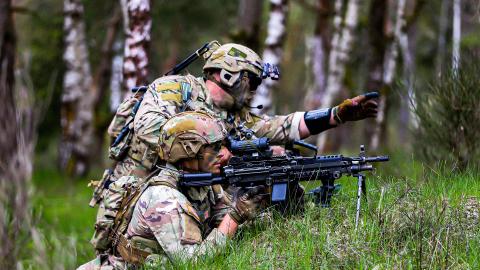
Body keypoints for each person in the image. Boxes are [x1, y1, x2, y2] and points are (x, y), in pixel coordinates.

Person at [89, 41, 378, 252]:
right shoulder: (174, 90)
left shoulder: (234, 115)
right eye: (251, 81)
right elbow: (151, 128)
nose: (253, 90)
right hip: (141, 194)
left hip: (193, 193)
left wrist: (334, 116)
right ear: (229, 76)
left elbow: (278, 128)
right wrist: (222, 146)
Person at [79, 112, 267, 269]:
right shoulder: (165, 199)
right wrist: (236, 215)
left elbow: (225, 226)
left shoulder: (201, 185)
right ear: (187, 151)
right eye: (214, 148)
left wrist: (260, 200)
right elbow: (194, 264)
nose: (222, 154)